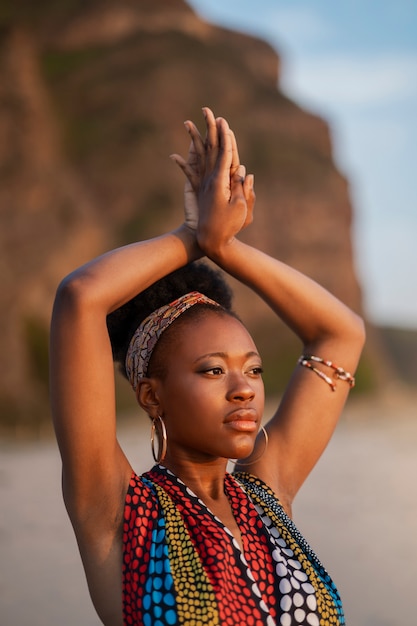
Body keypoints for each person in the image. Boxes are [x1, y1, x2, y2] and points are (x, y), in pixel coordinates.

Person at [49, 107, 365, 626]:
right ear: (151, 395)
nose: (244, 390)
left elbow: (342, 333)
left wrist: (227, 248)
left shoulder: (267, 494)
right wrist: (194, 237)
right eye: (213, 371)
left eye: (255, 370)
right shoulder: (119, 511)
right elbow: (81, 298)